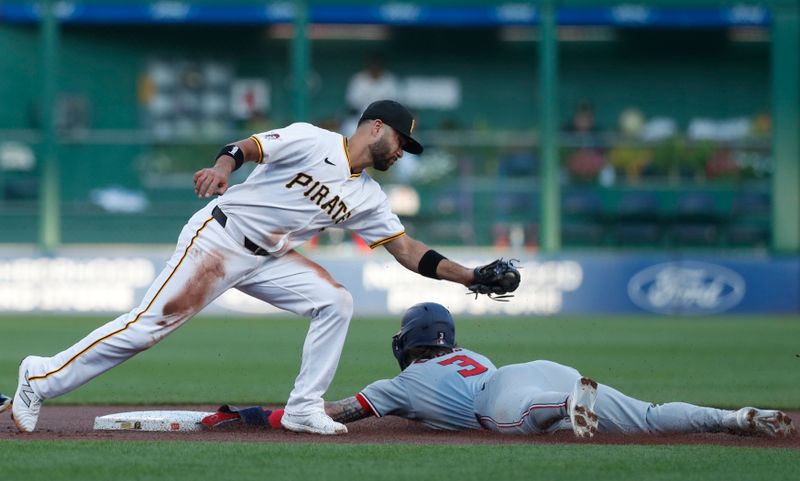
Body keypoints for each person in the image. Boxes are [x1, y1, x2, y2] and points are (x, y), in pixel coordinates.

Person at [9, 100, 516, 435]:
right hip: (220, 238)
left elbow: (408, 251)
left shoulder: (367, 196)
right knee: (146, 329)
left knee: (335, 301)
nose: (403, 152)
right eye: (402, 141)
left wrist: (471, 277)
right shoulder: (313, 140)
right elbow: (245, 147)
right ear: (376, 127)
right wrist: (222, 169)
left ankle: (302, 408)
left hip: (269, 257)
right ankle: (39, 377)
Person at [202, 302, 796, 439]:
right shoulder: (475, 355)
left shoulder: (398, 385)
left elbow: (331, 416)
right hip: (532, 368)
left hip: (503, 400)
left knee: (514, 418)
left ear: (405, 344)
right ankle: (734, 417)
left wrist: (259, 413)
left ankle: (568, 410)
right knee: (643, 415)